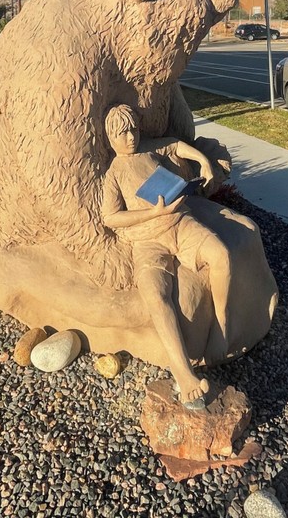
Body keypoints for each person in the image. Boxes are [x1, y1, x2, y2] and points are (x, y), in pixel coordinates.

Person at [101, 104, 232, 409]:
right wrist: (152, 212)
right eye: (122, 133)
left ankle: (221, 330)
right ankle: (183, 373)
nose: (130, 137)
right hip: (147, 242)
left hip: (180, 224)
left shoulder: (150, 149)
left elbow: (176, 145)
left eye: (133, 129)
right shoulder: (113, 174)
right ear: (111, 138)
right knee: (157, 297)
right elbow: (111, 217)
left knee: (221, 255)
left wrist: (203, 161)